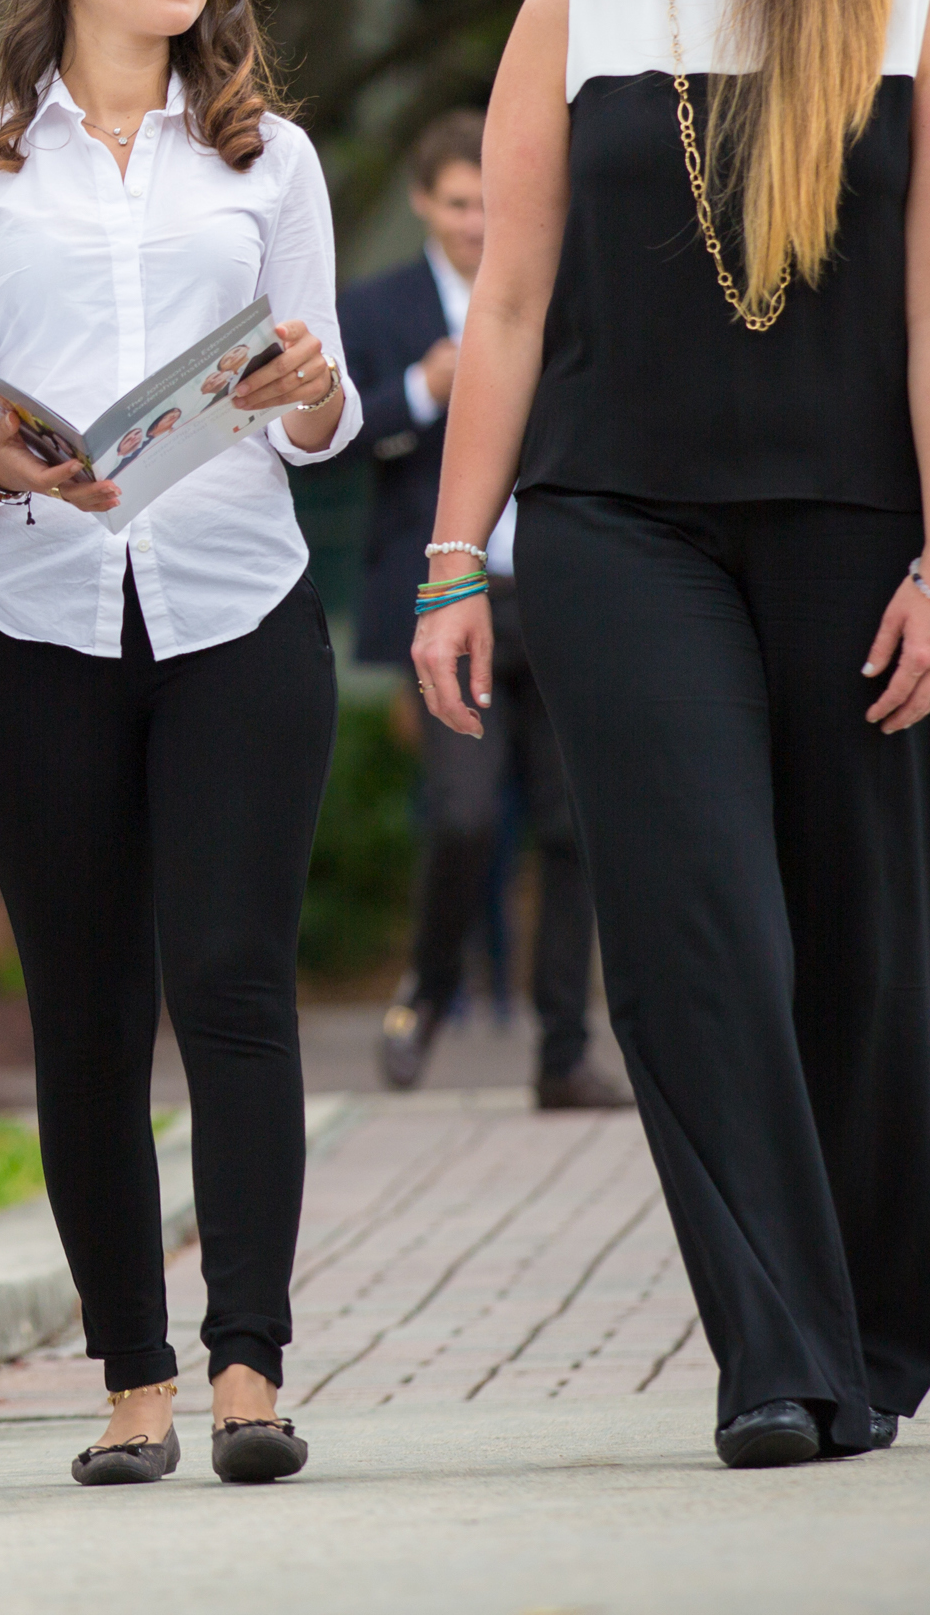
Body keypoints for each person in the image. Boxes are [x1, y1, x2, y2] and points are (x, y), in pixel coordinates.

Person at [412, 0, 930, 1470]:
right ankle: (772, 1352)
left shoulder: (924, 5)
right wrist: (456, 558)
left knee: (854, 941)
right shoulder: (567, 14)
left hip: (858, 538)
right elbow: (505, 305)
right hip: (615, 532)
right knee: (692, 938)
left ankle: (866, 1333)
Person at [0, 0, 354, 1489]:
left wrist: (309, 392)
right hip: (33, 620)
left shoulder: (267, 161)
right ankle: (130, 1385)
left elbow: (320, 401)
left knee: (231, 987)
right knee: (85, 1010)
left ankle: (248, 1371)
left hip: (237, 601)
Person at [338, 107, 626, 1110]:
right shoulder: (374, 308)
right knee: (461, 818)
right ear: (423, 202)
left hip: (559, 592)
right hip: (446, 602)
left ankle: (562, 1054)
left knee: (573, 827)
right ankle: (426, 985)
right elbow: (324, 434)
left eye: (490, 202)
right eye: (459, 204)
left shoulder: (560, 282)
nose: (476, 222)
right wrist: (421, 386)